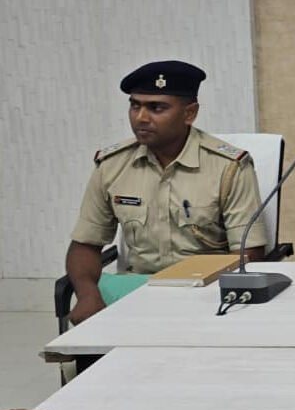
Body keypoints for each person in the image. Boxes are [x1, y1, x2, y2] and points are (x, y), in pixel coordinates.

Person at [66, 61, 263, 324]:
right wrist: (87, 294)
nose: (141, 117)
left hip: (205, 294)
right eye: (135, 106)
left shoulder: (228, 167)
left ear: (189, 113)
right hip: (137, 292)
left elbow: (248, 253)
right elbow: (85, 244)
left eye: (156, 108)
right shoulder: (112, 166)